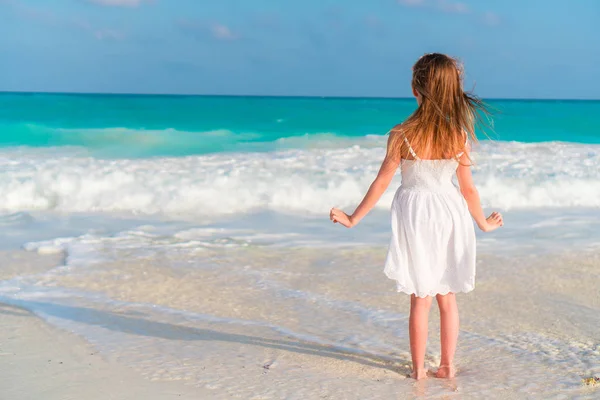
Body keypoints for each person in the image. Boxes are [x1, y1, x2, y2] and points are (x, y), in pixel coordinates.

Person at [329, 53, 503, 380]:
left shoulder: (402, 134)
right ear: (452, 90)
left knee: (420, 297)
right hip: (449, 212)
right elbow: (468, 191)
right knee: (447, 297)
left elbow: (381, 182)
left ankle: (420, 371)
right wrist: (483, 223)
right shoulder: (459, 136)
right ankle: (448, 366)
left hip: (417, 216)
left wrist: (353, 218)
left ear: (415, 89)